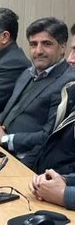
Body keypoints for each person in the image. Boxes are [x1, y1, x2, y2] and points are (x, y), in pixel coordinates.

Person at [0, 18, 74, 167]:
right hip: (0, 149)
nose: (38, 51)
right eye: (33, 44)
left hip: (26, 160)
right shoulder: (27, 73)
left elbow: (48, 137)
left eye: (47, 44)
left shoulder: (68, 83)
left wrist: (6, 139)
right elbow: (11, 111)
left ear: (63, 47)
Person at [30, 24, 75, 177]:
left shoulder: (65, 85)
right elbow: (47, 145)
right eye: (72, 50)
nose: (70, 59)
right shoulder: (71, 92)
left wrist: (64, 185)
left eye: (47, 44)